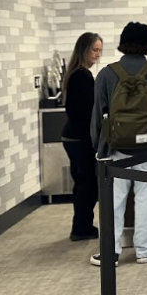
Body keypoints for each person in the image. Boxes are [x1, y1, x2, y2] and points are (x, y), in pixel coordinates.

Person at [89, 22, 147, 267]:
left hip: (114, 150)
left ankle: (110, 253)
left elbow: (97, 115)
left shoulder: (106, 74)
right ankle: (145, 251)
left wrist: (99, 146)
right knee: (146, 198)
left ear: (123, 43)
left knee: (113, 202)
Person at [61, 31, 103, 242]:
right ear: (84, 49)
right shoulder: (82, 76)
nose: (97, 54)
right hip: (80, 139)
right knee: (87, 184)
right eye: (94, 50)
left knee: (83, 183)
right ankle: (81, 227)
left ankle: (82, 225)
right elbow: (88, 110)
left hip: (73, 136)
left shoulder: (76, 74)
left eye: (99, 51)